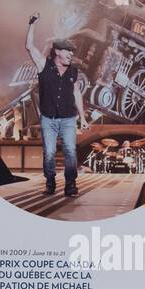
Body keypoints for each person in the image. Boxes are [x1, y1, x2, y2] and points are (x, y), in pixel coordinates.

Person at [26, 14, 87, 197]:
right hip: (48, 118)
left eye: (72, 53)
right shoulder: (43, 65)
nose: (71, 55)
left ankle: (70, 185)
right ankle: (50, 183)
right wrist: (32, 25)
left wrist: (83, 117)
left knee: (70, 151)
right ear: (58, 52)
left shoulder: (73, 71)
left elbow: (76, 93)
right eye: (68, 52)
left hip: (69, 118)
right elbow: (29, 47)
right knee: (50, 153)